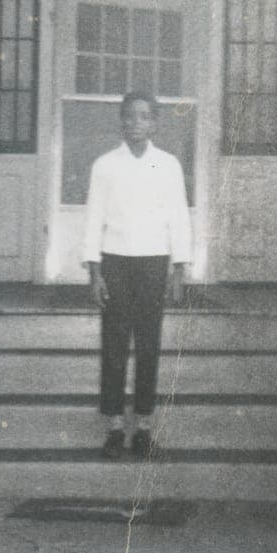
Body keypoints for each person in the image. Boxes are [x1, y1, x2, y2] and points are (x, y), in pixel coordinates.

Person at [82, 92, 192, 460]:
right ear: (122, 122)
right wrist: (94, 272)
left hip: (153, 263)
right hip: (115, 262)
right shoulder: (104, 166)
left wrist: (179, 269)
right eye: (129, 117)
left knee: (148, 346)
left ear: (155, 123)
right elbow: (93, 218)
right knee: (114, 346)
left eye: (144, 117)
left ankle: (144, 427)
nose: (136, 123)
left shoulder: (169, 165)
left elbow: (178, 216)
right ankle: (114, 427)